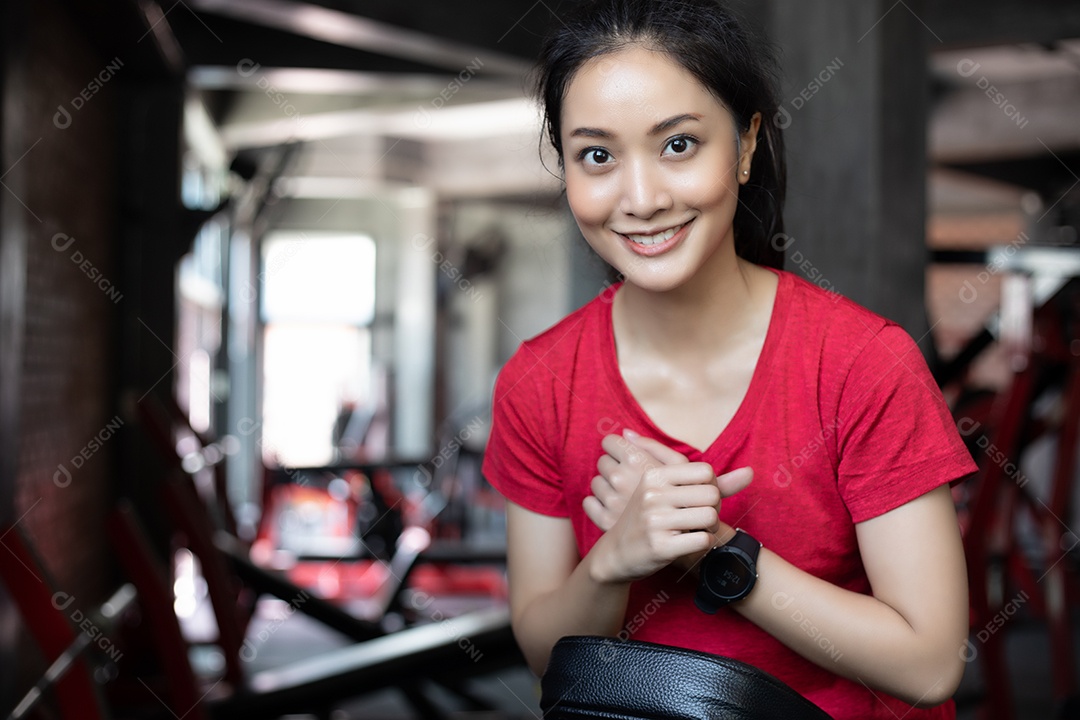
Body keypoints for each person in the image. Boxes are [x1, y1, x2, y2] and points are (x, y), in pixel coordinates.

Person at [480, 1, 978, 717]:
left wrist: (716, 552)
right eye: (598, 156)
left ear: (745, 147)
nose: (642, 199)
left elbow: (930, 666)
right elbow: (544, 655)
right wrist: (614, 559)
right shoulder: (539, 383)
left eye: (678, 145)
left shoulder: (863, 363)